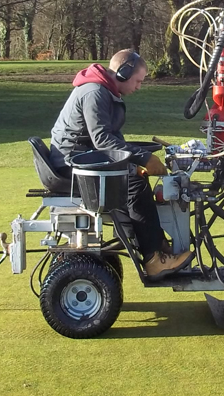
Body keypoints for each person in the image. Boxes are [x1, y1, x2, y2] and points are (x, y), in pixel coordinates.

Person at [48, 49, 193, 280]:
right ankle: (154, 260)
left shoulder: (103, 90)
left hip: (82, 159)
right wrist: (144, 159)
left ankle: (156, 243)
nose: (138, 87)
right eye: (138, 81)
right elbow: (103, 140)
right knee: (133, 182)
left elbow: (110, 139)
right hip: (70, 164)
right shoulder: (95, 92)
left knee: (134, 175)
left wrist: (138, 157)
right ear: (123, 73)